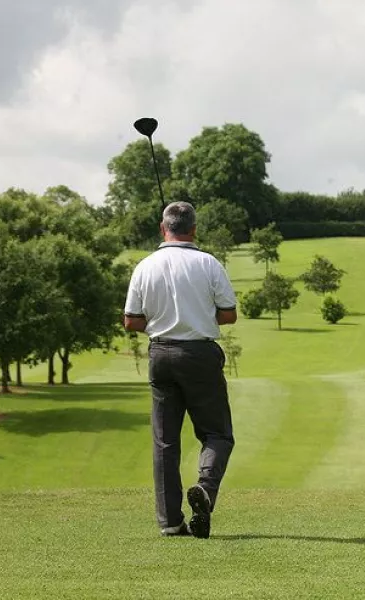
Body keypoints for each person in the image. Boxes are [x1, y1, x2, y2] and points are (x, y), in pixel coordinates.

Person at [123, 201, 238, 538]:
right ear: (194, 229)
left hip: (160, 355)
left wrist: (161, 321)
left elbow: (131, 321)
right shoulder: (209, 263)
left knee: (165, 442)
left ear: (163, 229)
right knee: (217, 434)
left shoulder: (145, 266)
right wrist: (199, 316)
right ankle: (205, 487)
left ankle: (171, 523)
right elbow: (229, 314)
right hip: (200, 354)